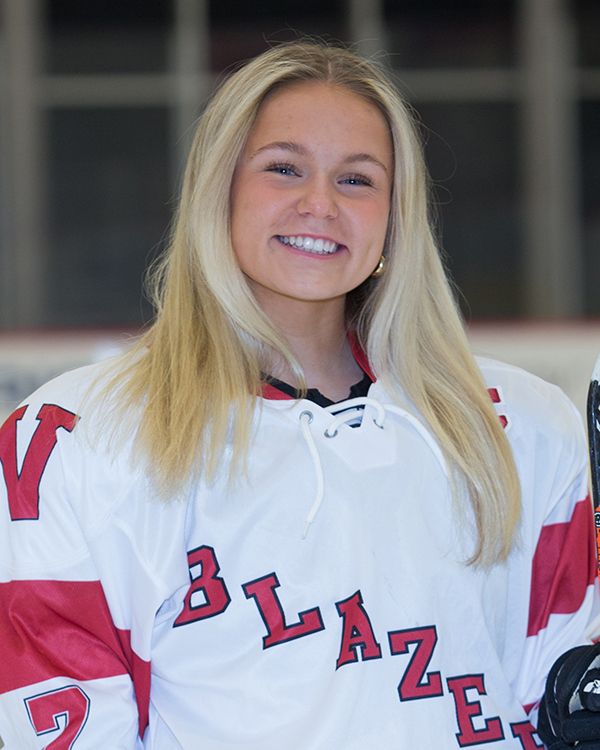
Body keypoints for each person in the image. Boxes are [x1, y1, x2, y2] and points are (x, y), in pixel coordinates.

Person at [0, 40, 597, 750]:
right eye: (284, 168)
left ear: (395, 215)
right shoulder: (79, 435)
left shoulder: (519, 423)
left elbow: (556, 693)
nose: (320, 204)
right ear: (219, 189)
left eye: (357, 180)